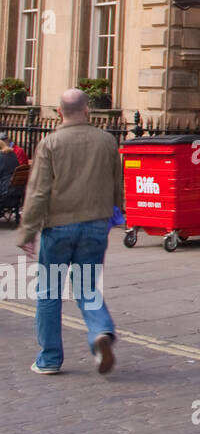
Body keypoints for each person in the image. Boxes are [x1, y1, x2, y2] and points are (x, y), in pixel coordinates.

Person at [17, 88, 123, 376]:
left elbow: (38, 192)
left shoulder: (50, 143)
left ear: (59, 111)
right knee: (87, 287)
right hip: (96, 225)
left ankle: (50, 358)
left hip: (59, 227)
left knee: (49, 292)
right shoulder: (107, 141)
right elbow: (117, 184)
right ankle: (101, 331)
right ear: (87, 110)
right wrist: (116, 213)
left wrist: (28, 233)